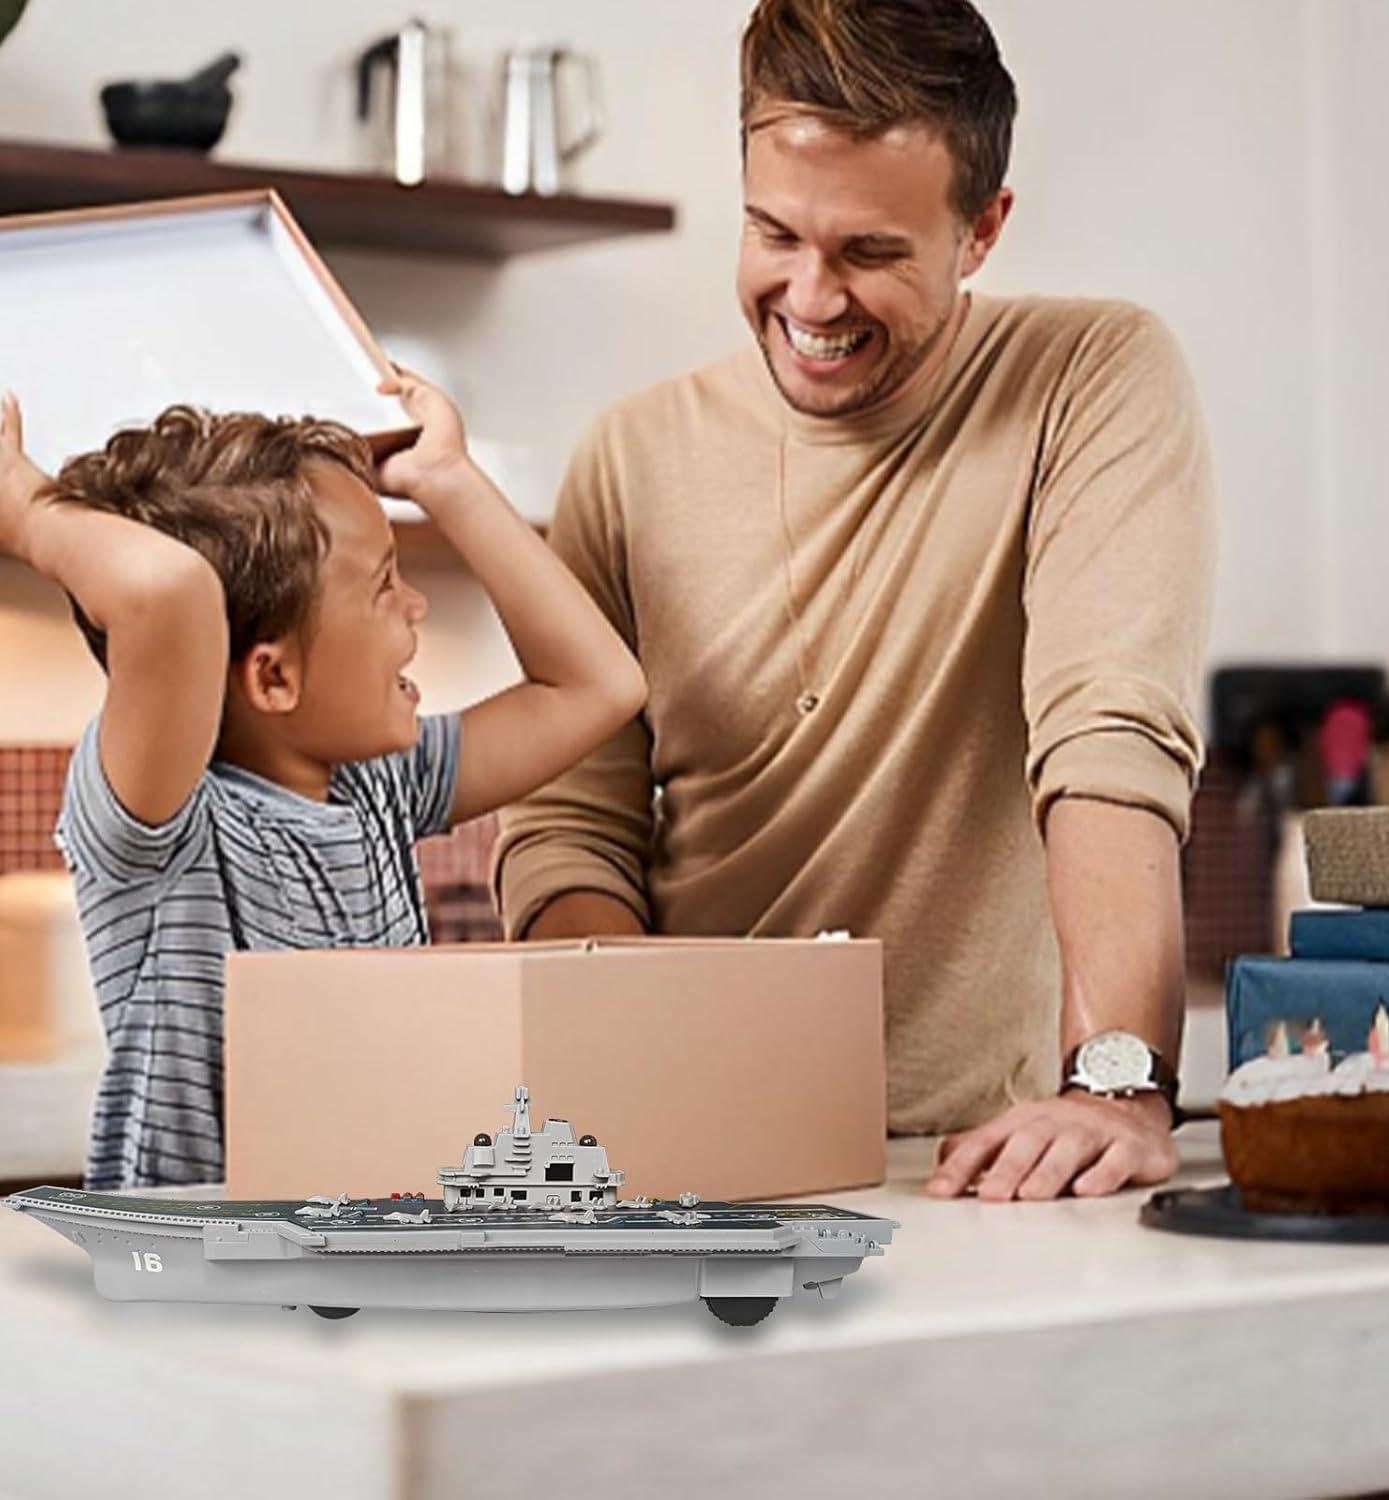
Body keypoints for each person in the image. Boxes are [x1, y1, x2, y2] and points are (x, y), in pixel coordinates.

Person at [495, 0, 1214, 1203]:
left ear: (982, 230)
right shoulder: (627, 460)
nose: (812, 299)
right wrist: (655, 1084)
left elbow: (1111, 733)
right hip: (686, 1160)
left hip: (985, 1166)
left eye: (871, 254)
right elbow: (571, 831)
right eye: (773, 233)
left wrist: (1119, 1084)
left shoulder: (1089, 379)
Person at [0, 376, 645, 1189]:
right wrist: (25, 510)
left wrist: (448, 482)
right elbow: (167, 594)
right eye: (382, 585)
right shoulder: (165, 825)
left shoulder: (377, 785)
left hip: (361, 1254)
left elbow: (598, 687)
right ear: (272, 679)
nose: (414, 605)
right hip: (204, 1285)